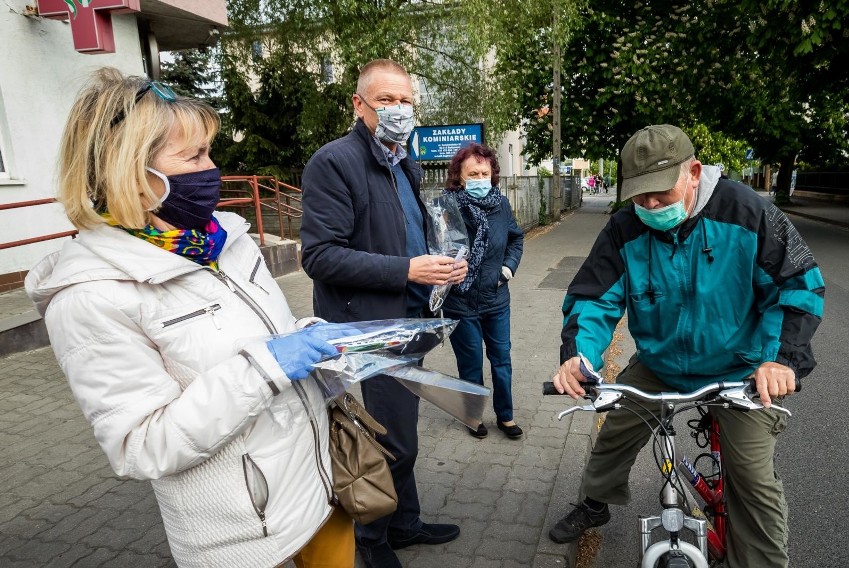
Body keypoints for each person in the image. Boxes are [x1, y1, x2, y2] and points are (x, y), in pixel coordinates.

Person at [24, 68, 356, 568]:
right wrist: (266, 367)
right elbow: (141, 445)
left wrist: (308, 340)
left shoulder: (227, 239)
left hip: (318, 489)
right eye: (194, 156)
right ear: (130, 171)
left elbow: (265, 340)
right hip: (245, 536)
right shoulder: (90, 296)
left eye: (209, 152)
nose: (213, 169)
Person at [548, 124, 824, 568]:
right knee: (614, 431)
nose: (651, 206)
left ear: (693, 172)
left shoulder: (747, 212)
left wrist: (780, 360)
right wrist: (579, 356)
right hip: (662, 363)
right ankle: (594, 502)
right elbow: (593, 300)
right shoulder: (624, 229)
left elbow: (799, 286)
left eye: (661, 193)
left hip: (745, 368)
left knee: (752, 478)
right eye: (640, 197)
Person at [300, 59, 468, 568]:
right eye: (386, 101)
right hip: (370, 323)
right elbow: (319, 256)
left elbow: (403, 231)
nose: (398, 110)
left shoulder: (403, 160)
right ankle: (371, 544)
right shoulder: (334, 162)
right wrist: (408, 270)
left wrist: (442, 264)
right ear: (359, 104)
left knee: (402, 426)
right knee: (393, 439)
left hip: (411, 316)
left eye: (405, 100)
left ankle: (404, 522)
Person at [441, 143, 524, 440]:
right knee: (471, 361)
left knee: (502, 359)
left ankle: (506, 416)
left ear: (492, 175)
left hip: (496, 299)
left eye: (484, 173)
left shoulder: (501, 205)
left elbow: (516, 238)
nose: (479, 178)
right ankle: (473, 416)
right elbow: (436, 246)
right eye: (472, 173)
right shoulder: (446, 206)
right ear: (459, 176)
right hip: (460, 302)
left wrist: (507, 269)